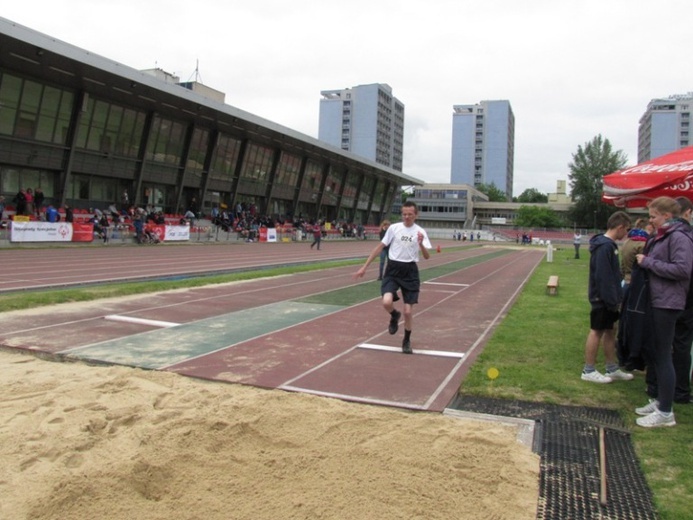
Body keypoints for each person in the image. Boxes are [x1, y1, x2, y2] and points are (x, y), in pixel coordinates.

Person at [634, 196, 693, 427]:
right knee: (657, 353)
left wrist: (648, 262)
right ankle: (660, 400)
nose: (651, 220)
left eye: (653, 216)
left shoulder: (679, 237)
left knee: (663, 354)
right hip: (659, 299)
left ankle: (666, 412)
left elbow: (682, 269)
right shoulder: (666, 235)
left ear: (667, 216)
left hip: (668, 302)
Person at [354, 201, 432, 354]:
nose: (407, 217)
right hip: (393, 269)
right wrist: (365, 266)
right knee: (386, 301)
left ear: (416, 215)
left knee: (408, 312)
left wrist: (421, 244)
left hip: (410, 271)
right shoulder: (394, 228)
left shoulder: (420, 232)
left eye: (410, 214)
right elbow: (379, 247)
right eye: (404, 214)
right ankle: (394, 315)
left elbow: (427, 256)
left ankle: (406, 340)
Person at [581, 211, 634, 384]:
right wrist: (611, 299)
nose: (626, 234)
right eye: (626, 229)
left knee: (611, 331)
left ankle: (612, 368)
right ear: (619, 227)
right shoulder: (604, 247)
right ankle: (588, 369)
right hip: (602, 298)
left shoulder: (609, 246)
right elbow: (603, 276)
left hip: (610, 298)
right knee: (597, 331)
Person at [620, 218, 651, 290]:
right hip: (637, 282)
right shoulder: (643, 244)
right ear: (648, 228)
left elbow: (622, 266)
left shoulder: (627, 241)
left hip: (626, 280)